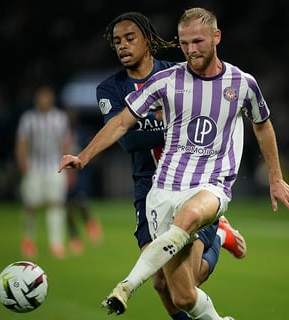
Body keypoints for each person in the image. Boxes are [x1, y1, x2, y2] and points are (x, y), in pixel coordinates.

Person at [59, 7, 289, 319]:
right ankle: (219, 239)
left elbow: (257, 122)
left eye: (129, 38)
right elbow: (124, 132)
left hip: (205, 185)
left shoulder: (230, 80)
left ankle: (127, 285)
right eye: (185, 44)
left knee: (186, 250)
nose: (191, 50)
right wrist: (84, 156)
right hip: (155, 185)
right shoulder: (137, 85)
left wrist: (275, 176)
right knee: (172, 288)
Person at [96, 11, 246, 319]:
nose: (122, 46)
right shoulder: (110, 90)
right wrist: (172, 125)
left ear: (148, 41)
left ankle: (217, 235)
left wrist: (151, 125)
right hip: (148, 187)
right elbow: (126, 140)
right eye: (117, 42)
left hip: (193, 183)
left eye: (130, 38)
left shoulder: (178, 73)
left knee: (185, 283)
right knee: (163, 283)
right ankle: (220, 236)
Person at [16, 83, 72, 259]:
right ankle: (28, 240)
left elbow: (65, 143)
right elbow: (22, 142)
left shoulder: (60, 118)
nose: (44, 100)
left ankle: (56, 244)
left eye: (47, 96)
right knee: (31, 205)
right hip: (34, 166)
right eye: (41, 96)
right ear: (37, 98)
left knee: (56, 204)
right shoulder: (28, 118)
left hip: (55, 167)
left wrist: (70, 169)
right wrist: (23, 163)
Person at [66, 110, 102, 255]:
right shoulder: (61, 132)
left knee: (81, 201)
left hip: (79, 173)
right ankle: (74, 238)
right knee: (67, 207)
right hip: (63, 173)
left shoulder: (82, 132)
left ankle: (90, 222)